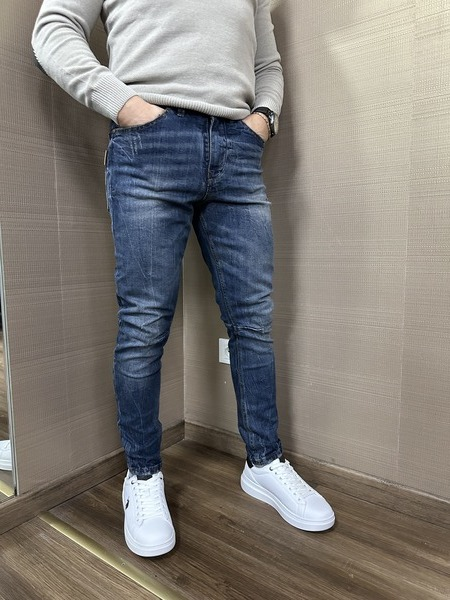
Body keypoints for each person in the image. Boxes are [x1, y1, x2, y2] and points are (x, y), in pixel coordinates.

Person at [32, 0, 335, 557]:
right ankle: (143, 475)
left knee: (254, 320)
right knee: (145, 323)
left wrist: (263, 119)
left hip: (238, 149)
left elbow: (267, 64)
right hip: (148, 143)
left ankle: (264, 462)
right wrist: (124, 105)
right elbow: (53, 29)